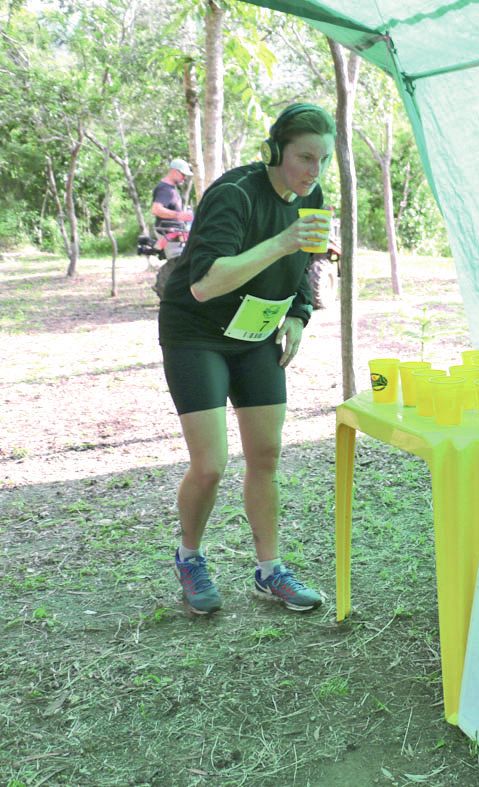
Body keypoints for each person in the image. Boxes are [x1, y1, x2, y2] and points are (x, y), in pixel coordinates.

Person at [158, 102, 336, 614]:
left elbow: (310, 263)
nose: (313, 171)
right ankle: (189, 556)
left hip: (255, 334)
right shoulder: (234, 194)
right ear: (277, 150)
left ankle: (268, 570)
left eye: (321, 160)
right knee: (210, 465)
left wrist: (300, 315)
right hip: (196, 332)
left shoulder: (313, 195)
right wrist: (281, 242)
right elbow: (205, 282)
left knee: (266, 457)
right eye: (305, 157)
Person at [151, 158, 194, 260]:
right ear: (174, 171)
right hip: (169, 234)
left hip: (177, 233)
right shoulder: (165, 189)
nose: (184, 178)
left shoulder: (171, 188)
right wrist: (178, 215)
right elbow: (156, 210)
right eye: (183, 174)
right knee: (176, 265)